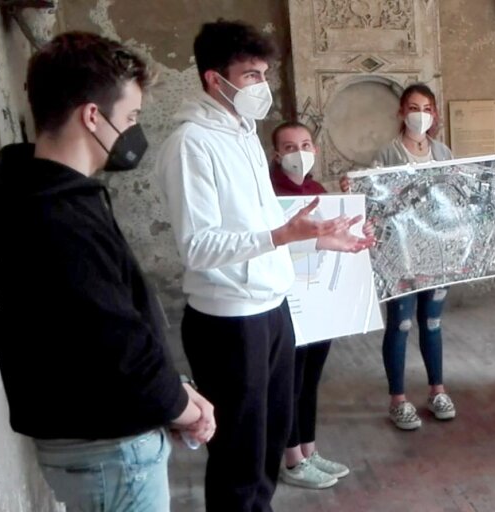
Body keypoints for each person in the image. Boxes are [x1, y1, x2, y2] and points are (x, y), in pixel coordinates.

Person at [0, 31, 214, 512]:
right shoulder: (58, 218)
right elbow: (116, 346)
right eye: (130, 117)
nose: (132, 131)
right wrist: (180, 406)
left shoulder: (30, 190)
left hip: (95, 442)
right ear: (92, 115)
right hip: (112, 452)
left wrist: (173, 393)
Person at [157, 21, 372, 510]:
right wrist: (280, 235)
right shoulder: (191, 144)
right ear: (214, 79)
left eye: (264, 74)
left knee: (272, 438)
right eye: (250, 75)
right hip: (230, 320)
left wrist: (320, 239)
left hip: (273, 309)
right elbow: (198, 246)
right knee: (239, 453)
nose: (262, 85)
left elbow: (261, 224)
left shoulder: (243, 134)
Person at [341, 83, 460, 430]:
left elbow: (458, 194)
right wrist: (353, 189)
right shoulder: (388, 154)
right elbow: (374, 199)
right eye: (413, 108)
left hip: (437, 254)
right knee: (401, 323)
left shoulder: (443, 152)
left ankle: (437, 390)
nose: (420, 115)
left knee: (432, 322)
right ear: (401, 112)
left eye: (426, 108)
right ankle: (398, 399)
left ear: (434, 114)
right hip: (400, 255)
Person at [268, 121, 373, 488]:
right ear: (277, 155)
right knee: (290, 382)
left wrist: (360, 228)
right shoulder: (269, 195)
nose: (299, 153)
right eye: (289, 147)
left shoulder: (319, 193)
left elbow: (339, 239)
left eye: (305, 144)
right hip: (286, 304)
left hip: (319, 304)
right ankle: (292, 459)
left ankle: (309, 451)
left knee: (310, 380)